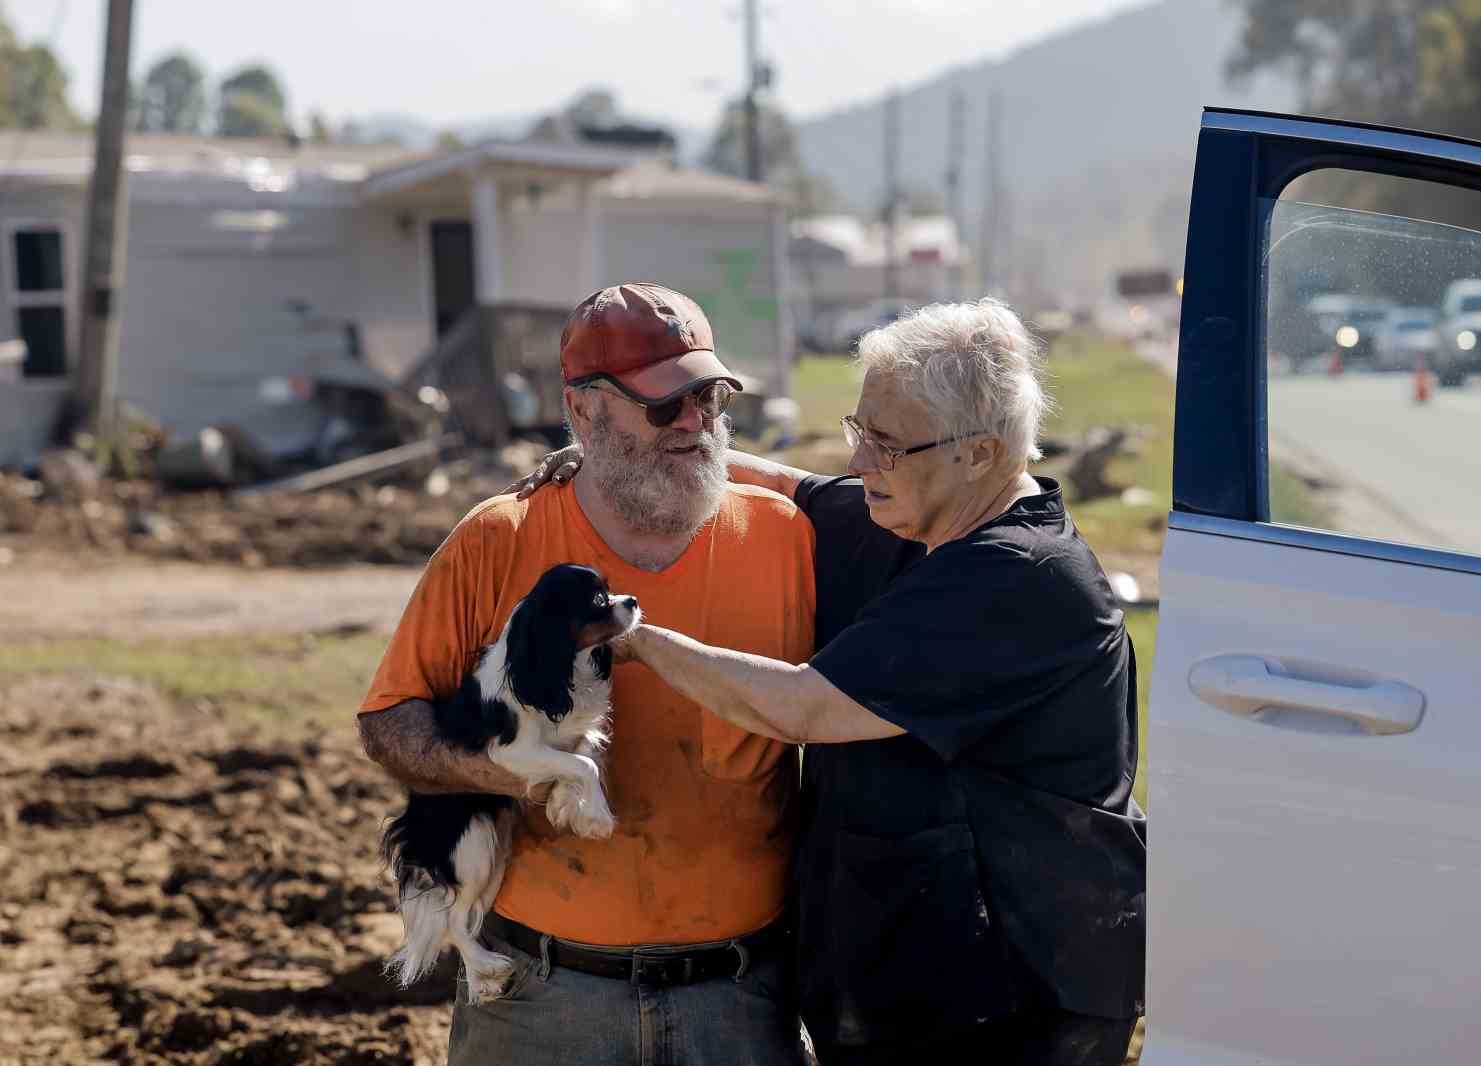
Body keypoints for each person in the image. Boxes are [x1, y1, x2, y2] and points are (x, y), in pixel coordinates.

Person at [517, 298, 1146, 1065]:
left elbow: (803, 707)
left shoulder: (1018, 580)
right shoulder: (923, 514)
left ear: (980, 453)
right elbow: (797, 488)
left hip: (1011, 1004)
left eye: (885, 444)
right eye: (860, 432)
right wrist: (620, 457)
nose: (860, 463)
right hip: (927, 984)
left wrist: (632, 634)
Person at [357, 282, 817, 1066]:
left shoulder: (789, 539)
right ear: (584, 413)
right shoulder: (499, 538)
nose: (696, 422)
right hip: (541, 999)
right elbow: (389, 722)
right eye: (665, 406)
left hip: (741, 1002)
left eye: (709, 397)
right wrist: (513, 772)